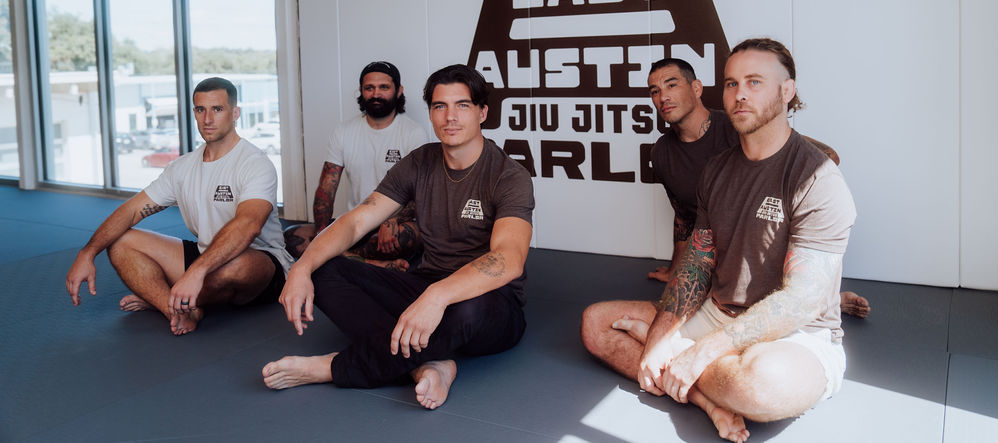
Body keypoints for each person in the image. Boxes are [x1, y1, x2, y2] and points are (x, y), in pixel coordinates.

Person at [581, 40, 857, 442]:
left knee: (762, 386)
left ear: (787, 91)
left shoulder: (818, 178)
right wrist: (660, 339)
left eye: (754, 81)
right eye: (731, 83)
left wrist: (702, 351)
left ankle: (688, 369)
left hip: (795, 333)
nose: (739, 93)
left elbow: (802, 300)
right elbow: (697, 262)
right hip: (717, 311)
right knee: (595, 324)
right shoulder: (716, 170)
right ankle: (706, 399)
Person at [262, 64, 534, 410]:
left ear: (482, 112)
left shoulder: (508, 176)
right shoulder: (420, 162)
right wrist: (301, 267)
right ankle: (430, 362)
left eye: (462, 105)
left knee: (467, 310)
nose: (450, 117)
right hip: (425, 284)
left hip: (489, 305)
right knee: (322, 268)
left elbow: (509, 258)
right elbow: (358, 221)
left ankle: (333, 367)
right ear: (431, 113)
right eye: (440, 106)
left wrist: (438, 297)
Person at [644, 57, 869, 319]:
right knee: (670, 314)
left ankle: (825, 299)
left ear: (696, 88)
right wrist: (675, 269)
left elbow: (827, 156)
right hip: (715, 259)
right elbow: (683, 216)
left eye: (672, 85)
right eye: (655, 91)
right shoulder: (662, 153)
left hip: (761, 252)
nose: (663, 97)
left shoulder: (737, 126)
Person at [65, 77, 291, 336]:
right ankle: (176, 308)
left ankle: (170, 294)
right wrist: (88, 252)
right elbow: (130, 210)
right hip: (207, 255)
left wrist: (195, 272)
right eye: (200, 109)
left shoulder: (254, 163)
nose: (207, 119)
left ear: (235, 113)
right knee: (119, 242)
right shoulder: (182, 168)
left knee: (236, 267)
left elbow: (248, 226)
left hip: (260, 263)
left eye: (217, 109)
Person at [285, 61, 427, 269]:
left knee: (406, 238)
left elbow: (419, 192)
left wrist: (392, 221)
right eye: (369, 88)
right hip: (354, 224)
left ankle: (336, 257)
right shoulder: (344, 131)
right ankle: (371, 263)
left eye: (384, 87)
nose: (376, 94)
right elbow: (327, 188)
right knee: (292, 237)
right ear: (361, 92)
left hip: (393, 225)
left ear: (398, 91)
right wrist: (322, 234)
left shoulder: (413, 133)